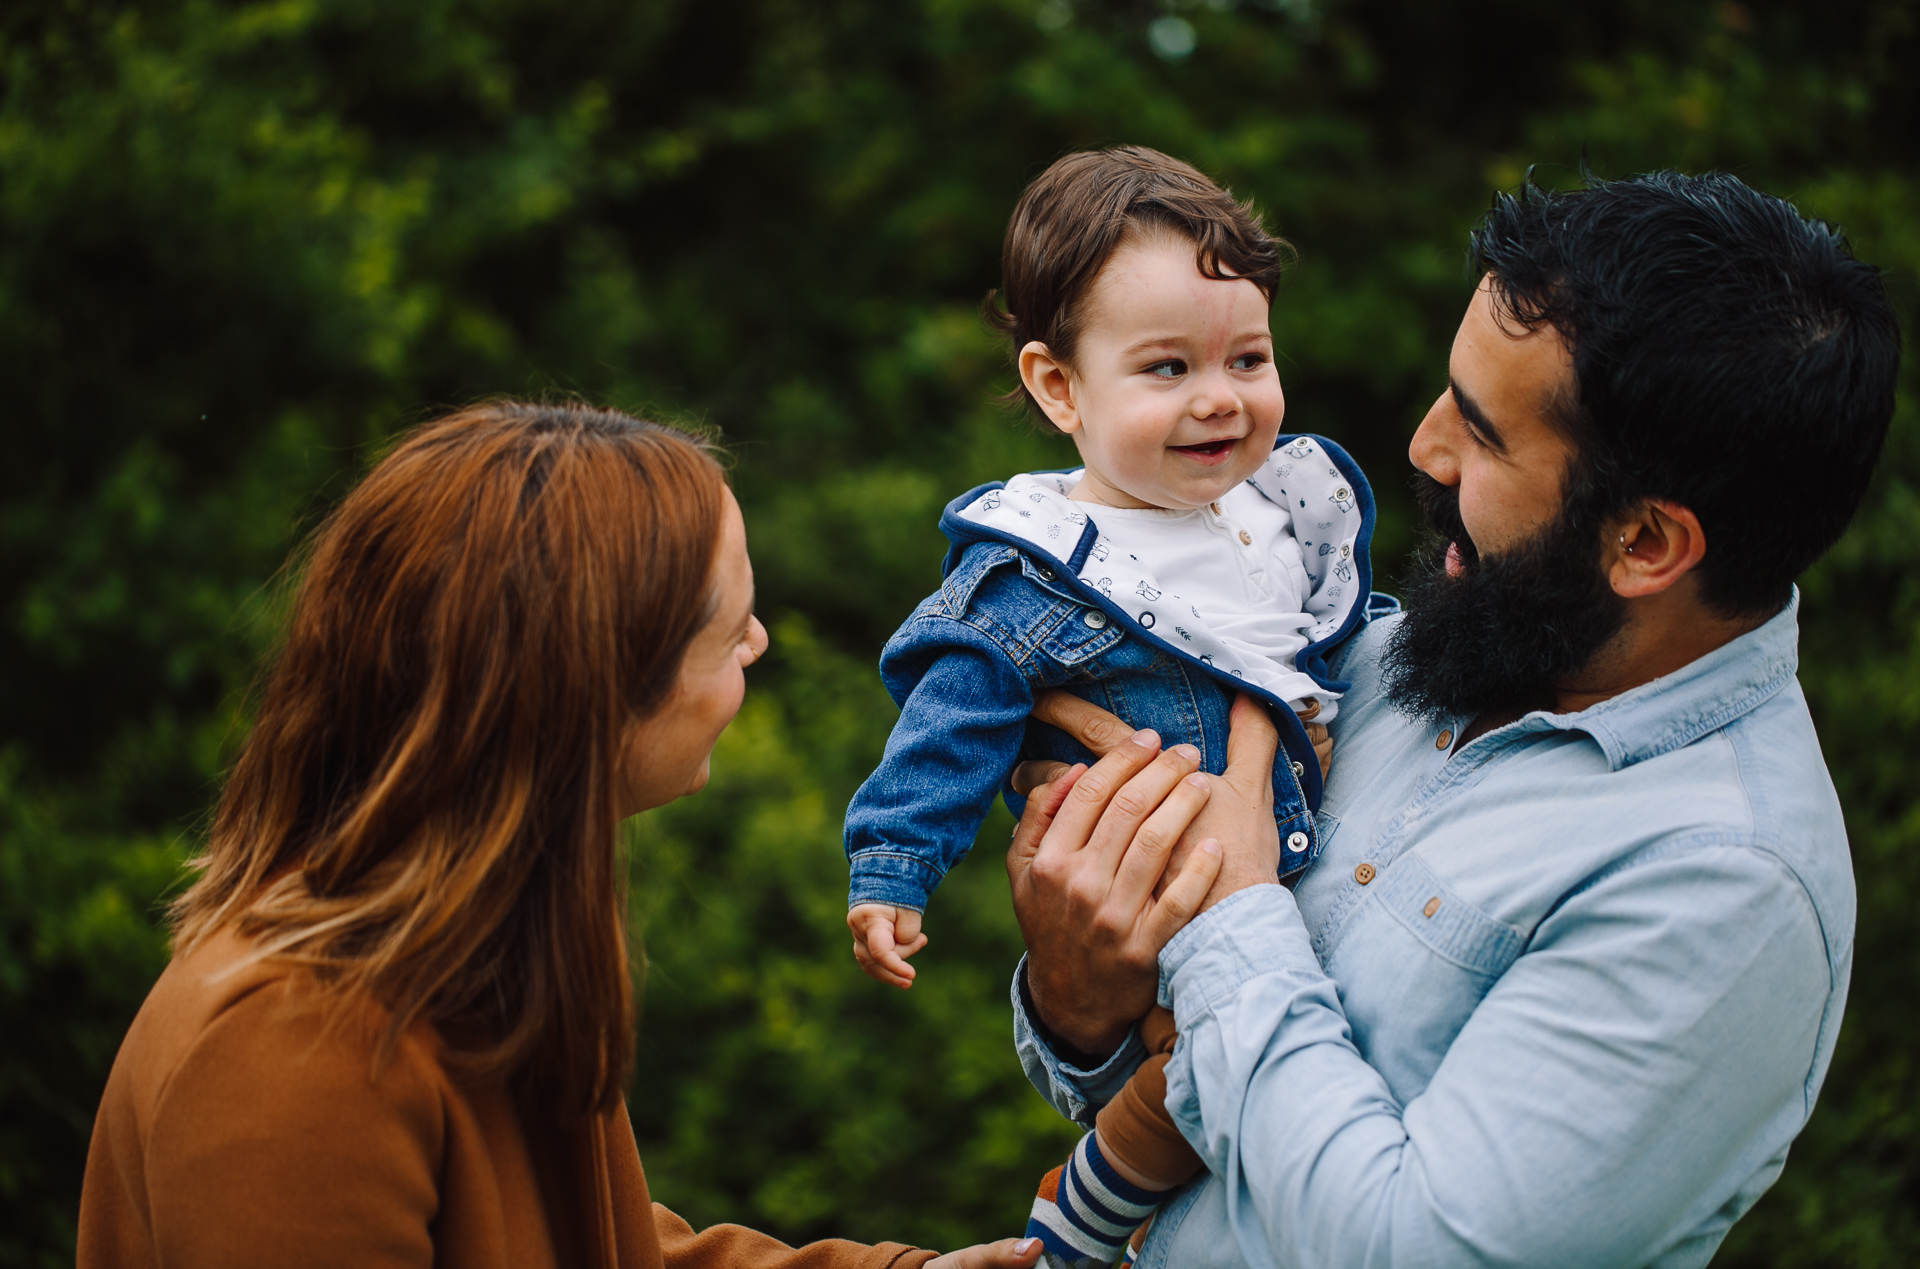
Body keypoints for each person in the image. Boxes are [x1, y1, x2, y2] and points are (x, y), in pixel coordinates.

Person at [1003, 170, 1900, 1268]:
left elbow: (1411, 1248)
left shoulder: (1726, 883)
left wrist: (1233, 905)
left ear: (1646, 545)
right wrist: (1079, 1000)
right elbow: (1179, 1086)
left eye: (1481, 436)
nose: (1425, 450)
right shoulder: (1395, 660)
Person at [76, 404, 1043, 1269]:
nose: (758, 642)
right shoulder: (293, 1056)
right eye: (729, 624)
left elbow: (605, 1247)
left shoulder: (464, 964)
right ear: (594, 691)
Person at [837, 148, 1375, 1267]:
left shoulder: (1277, 510)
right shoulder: (1041, 572)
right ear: (1058, 387)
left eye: (1249, 356)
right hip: (1168, 899)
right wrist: (890, 865)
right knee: (1197, 1076)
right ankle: (1076, 1228)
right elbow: (950, 723)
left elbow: (1325, 644)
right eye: (1167, 368)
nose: (1220, 397)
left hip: (1294, 881)